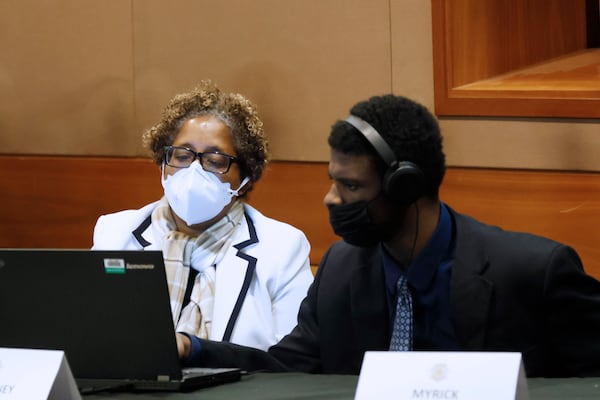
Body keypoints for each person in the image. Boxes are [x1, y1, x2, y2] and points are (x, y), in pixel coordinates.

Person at [176, 93, 600, 377]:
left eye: (352, 187)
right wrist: (193, 350)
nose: (330, 199)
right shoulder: (340, 269)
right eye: (333, 180)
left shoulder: (533, 272)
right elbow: (285, 371)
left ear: (406, 187)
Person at [92, 80, 314, 351]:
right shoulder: (115, 232)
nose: (194, 170)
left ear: (245, 176)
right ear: (163, 162)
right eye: (182, 156)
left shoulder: (282, 247)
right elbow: (93, 335)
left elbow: (291, 362)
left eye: (215, 160)